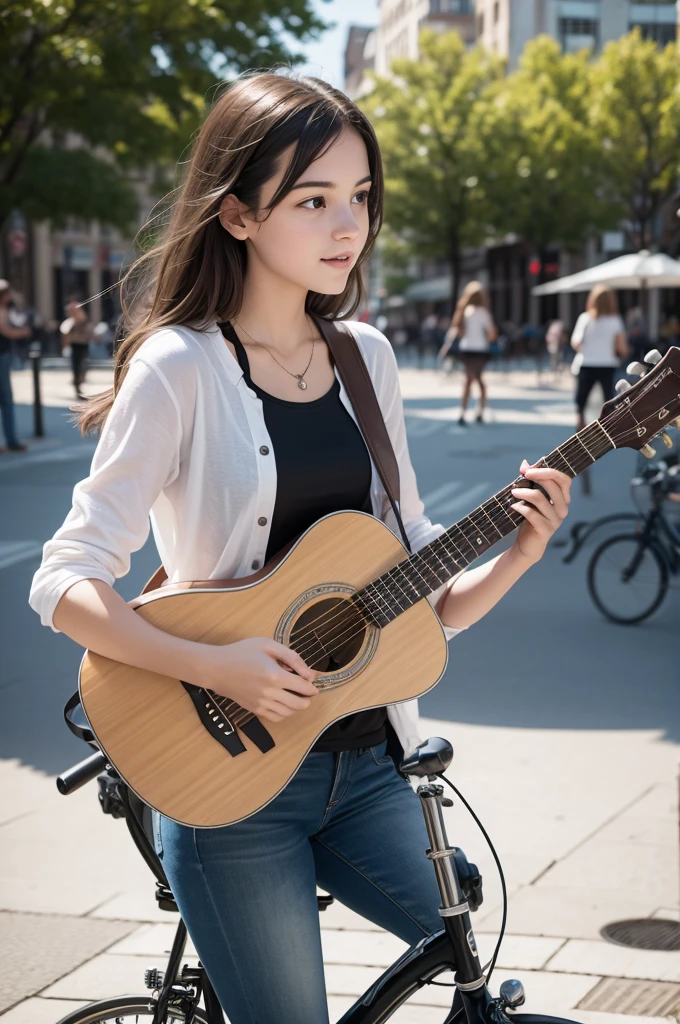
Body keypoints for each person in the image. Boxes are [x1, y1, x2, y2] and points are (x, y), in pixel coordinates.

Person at [28, 72, 572, 1024]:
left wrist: (517, 554)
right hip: (228, 784)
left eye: (359, 197)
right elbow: (63, 581)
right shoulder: (178, 368)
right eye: (314, 200)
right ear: (236, 214)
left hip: (368, 767)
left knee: (471, 959)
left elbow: (419, 586)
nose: (347, 226)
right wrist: (215, 663)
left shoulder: (369, 358)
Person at [570, 284, 629, 432]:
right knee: (608, 398)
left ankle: (580, 424)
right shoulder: (615, 320)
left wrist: (589, 350)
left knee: (581, 399)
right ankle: (607, 427)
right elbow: (621, 347)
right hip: (607, 363)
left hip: (587, 362)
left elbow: (576, 343)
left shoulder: (585, 318)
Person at [449, 280, 497, 425]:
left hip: (467, 349)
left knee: (469, 381)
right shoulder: (483, 313)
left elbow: (458, 332)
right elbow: (492, 334)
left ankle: (463, 412)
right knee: (479, 380)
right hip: (480, 350)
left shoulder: (463, 311)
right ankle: (480, 410)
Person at [0, 279, 29, 453]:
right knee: (6, 399)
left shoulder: (6, 309)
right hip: (2, 355)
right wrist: (23, 332)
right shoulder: (2, 310)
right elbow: (6, 331)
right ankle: (12, 441)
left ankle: (11, 440)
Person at [60, 297, 92, 399]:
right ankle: (77, 388)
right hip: (75, 347)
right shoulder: (69, 323)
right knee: (77, 369)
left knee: (83, 368)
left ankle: (79, 385)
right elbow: (65, 336)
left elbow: (89, 332)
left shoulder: (83, 322)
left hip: (83, 346)